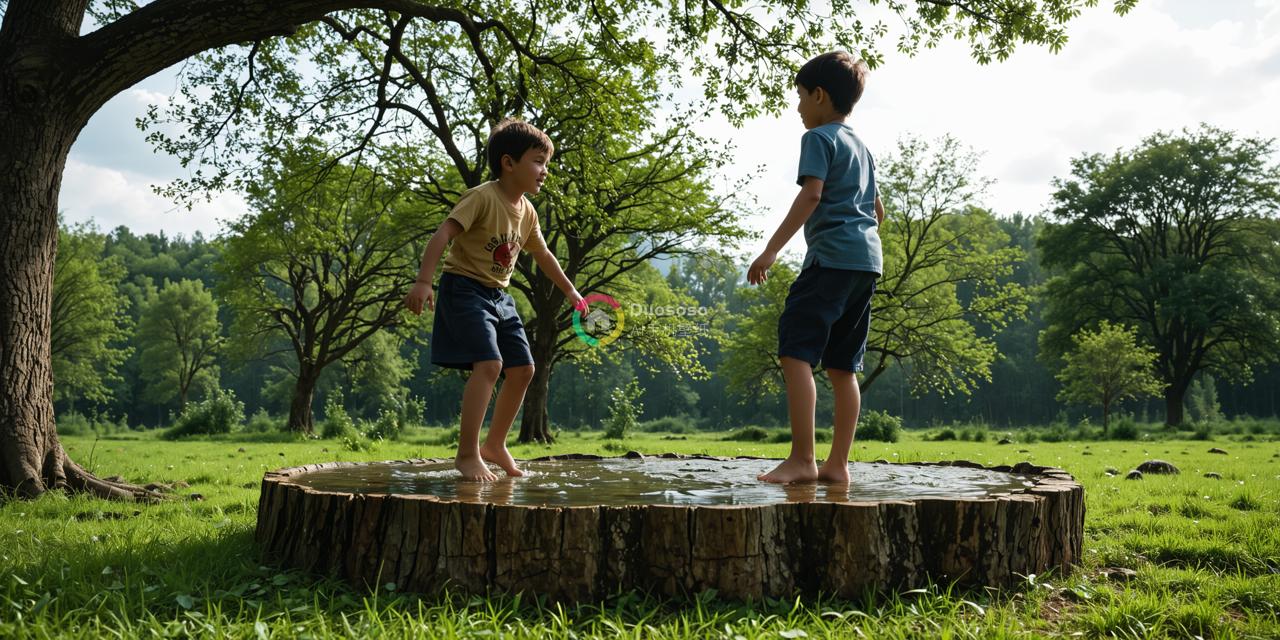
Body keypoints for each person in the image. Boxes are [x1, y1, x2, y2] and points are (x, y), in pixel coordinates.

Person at [404, 119, 583, 482]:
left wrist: (570, 290)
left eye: (546, 163)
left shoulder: (527, 212)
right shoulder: (482, 197)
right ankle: (467, 454)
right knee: (489, 365)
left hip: (499, 296)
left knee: (524, 369)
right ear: (508, 163)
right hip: (464, 289)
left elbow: (543, 255)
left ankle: (495, 445)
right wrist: (424, 281)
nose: (545, 171)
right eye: (538, 161)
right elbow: (443, 234)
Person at [747, 51, 885, 484]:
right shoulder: (862, 148)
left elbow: (811, 195)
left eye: (801, 96)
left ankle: (802, 460)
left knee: (795, 351)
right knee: (843, 366)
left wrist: (770, 251)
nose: (798, 107)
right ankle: (838, 465)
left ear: (820, 96)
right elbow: (878, 211)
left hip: (830, 261)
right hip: (867, 263)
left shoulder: (819, 138)